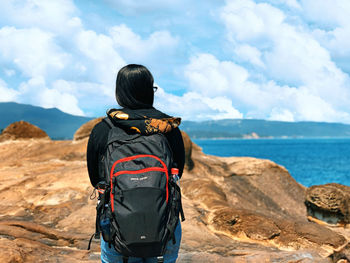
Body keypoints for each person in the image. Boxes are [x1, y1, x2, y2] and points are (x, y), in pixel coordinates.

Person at [87, 64, 185, 263]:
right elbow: (178, 172)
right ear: (150, 91)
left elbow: (95, 178)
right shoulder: (168, 127)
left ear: (119, 92)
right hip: (164, 228)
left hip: (116, 230)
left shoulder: (104, 129)